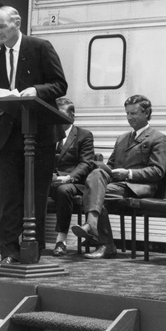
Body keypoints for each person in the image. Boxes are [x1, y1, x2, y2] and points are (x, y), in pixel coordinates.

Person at [0, 6, 67, 265]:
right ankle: (8, 251)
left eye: (1, 26)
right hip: (8, 135)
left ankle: (33, 250)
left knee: (36, 195)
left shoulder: (40, 47)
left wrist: (34, 90)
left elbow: (59, 84)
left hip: (38, 134)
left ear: (17, 22)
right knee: (9, 196)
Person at [72, 95, 166, 259]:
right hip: (117, 186)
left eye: (134, 113)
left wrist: (128, 173)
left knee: (95, 193)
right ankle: (100, 236)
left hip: (138, 187)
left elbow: (157, 171)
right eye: (127, 114)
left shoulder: (158, 138)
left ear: (147, 113)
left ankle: (99, 236)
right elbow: (110, 164)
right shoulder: (122, 138)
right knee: (97, 178)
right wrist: (103, 168)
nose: (130, 118)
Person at [48, 98, 95, 257]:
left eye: (60, 115)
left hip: (73, 183)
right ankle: (33, 239)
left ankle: (61, 240)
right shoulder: (49, 135)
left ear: (72, 116)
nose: (57, 119)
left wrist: (68, 177)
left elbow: (85, 164)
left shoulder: (84, 135)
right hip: (50, 182)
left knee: (64, 190)